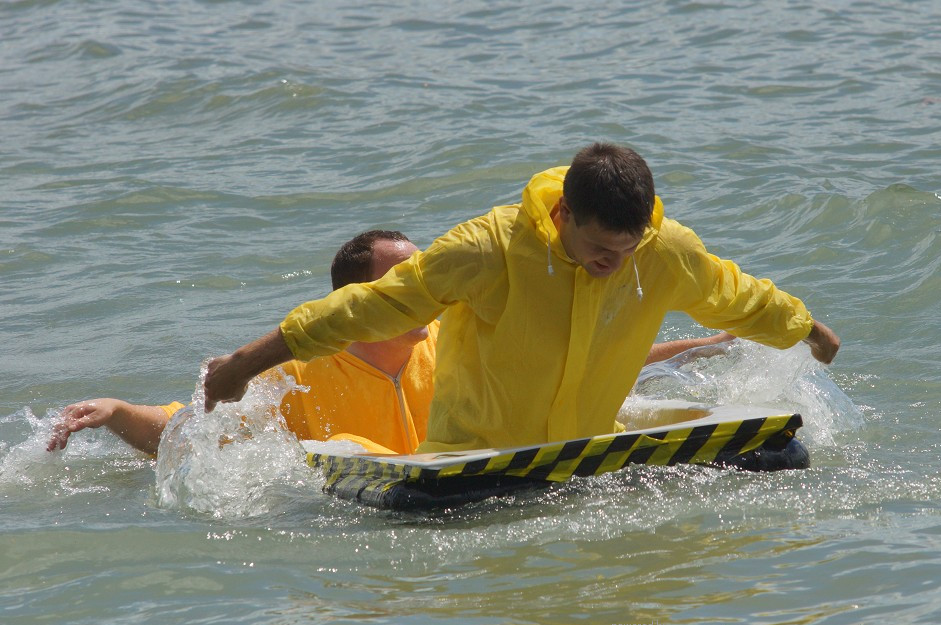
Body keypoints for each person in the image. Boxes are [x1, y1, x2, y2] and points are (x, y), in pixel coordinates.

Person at [203, 143, 839, 454]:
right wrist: (242, 366)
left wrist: (807, 328)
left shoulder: (663, 249)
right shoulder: (487, 249)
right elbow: (366, 307)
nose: (612, 265)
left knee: (785, 456)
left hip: (582, 454)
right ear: (563, 212)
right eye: (599, 249)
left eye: (628, 249)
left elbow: (736, 294)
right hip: (470, 464)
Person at [49, 228, 734, 456]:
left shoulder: (445, 339)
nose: (425, 291)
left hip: (448, 478)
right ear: (357, 303)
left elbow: (564, 365)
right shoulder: (299, 375)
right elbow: (186, 432)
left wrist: (694, 348)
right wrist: (113, 411)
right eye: (403, 280)